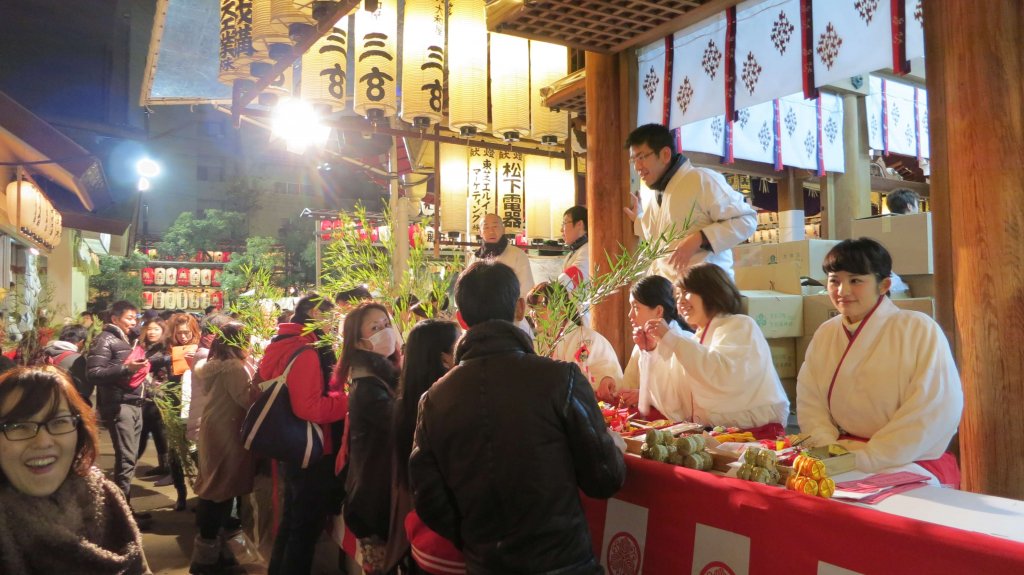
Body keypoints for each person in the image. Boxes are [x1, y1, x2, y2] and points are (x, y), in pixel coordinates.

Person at [410, 261, 625, 574]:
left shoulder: (434, 399)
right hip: (564, 563)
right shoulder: (560, 379)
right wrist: (614, 447)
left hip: (486, 565)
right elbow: (604, 479)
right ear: (521, 308)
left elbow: (427, 497)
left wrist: (474, 538)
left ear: (461, 319)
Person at [797, 238, 963, 486]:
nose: (842, 291)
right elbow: (810, 399)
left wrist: (870, 457)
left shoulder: (918, 328)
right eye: (834, 281)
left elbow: (934, 408)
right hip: (840, 453)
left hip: (908, 457)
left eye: (855, 280)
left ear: (884, 285)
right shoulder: (826, 332)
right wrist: (827, 447)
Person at [0, 367, 150, 574]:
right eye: (18, 426)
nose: (43, 442)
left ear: (79, 431)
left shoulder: (107, 497)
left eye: (59, 422)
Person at [641, 263, 790, 435]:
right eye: (678, 296)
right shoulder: (693, 340)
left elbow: (722, 375)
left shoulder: (740, 325)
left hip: (755, 435)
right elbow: (674, 402)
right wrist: (652, 351)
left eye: (686, 292)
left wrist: (671, 338)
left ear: (711, 291)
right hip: (711, 435)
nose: (680, 302)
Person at [261, 294, 347, 575]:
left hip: (291, 444)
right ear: (314, 313)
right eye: (331, 316)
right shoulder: (306, 351)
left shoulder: (282, 343)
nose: (334, 323)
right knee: (305, 527)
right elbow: (309, 408)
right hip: (311, 447)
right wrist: (348, 402)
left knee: (292, 520)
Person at [623, 123, 756, 282]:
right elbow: (657, 234)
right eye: (633, 160)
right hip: (672, 291)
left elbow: (746, 220)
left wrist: (699, 238)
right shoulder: (656, 195)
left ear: (665, 154)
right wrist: (638, 218)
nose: (637, 167)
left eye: (641, 157)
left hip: (708, 289)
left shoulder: (701, 179)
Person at [335, 302, 404, 572]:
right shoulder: (368, 386)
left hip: (373, 494)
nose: (385, 331)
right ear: (359, 342)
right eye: (375, 328)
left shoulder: (378, 375)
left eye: (386, 324)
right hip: (374, 499)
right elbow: (401, 424)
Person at [390, 320, 462, 574]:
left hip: (422, 534)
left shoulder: (404, 404)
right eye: (460, 343)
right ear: (444, 358)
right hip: (451, 543)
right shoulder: (446, 405)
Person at [190, 322, 258, 574]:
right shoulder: (234, 369)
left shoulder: (214, 366)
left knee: (213, 492)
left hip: (214, 430)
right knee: (219, 494)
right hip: (226, 433)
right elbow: (247, 400)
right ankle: (205, 560)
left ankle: (211, 554)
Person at [87, 300, 152, 527]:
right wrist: (127, 369)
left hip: (134, 403)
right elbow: (93, 372)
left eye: (135, 318)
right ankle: (122, 516)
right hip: (119, 405)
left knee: (130, 459)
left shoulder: (129, 339)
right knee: (126, 459)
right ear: (115, 319)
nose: (133, 322)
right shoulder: (105, 339)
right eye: (129, 318)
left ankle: (124, 510)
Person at [527, 282, 621, 403]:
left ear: (561, 308)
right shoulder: (534, 344)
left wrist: (605, 380)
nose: (534, 313)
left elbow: (608, 376)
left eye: (540, 306)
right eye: (532, 308)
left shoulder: (588, 340)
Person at [618, 275, 694, 420]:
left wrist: (646, 396)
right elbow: (627, 387)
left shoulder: (686, 342)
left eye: (636, 307)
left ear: (659, 311)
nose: (630, 315)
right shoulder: (641, 343)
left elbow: (682, 407)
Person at [467, 213, 535, 301]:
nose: (491, 231)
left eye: (495, 226)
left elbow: (526, 289)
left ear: (503, 230)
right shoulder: (475, 257)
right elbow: (467, 288)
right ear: (480, 232)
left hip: (509, 308)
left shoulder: (517, 254)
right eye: (486, 227)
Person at [137, 319, 172, 483]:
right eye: (149, 329)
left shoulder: (166, 348)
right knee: (153, 430)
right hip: (147, 396)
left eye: (156, 329)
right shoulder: (145, 347)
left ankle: (167, 466)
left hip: (161, 396)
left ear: (163, 331)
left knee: (160, 431)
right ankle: (163, 465)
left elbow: (162, 365)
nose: (151, 332)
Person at [39, 324, 90, 405]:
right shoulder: (77, 359)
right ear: (81, 342)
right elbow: (84, 390)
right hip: (63, 406)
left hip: (40, 403)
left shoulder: (41, 353)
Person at [559, 206, 590, 290]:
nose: (561, 229)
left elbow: (575, 275)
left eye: (564, 223)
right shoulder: (574, 252)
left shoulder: (588, 249)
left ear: (579, 224)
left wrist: (550, 289)